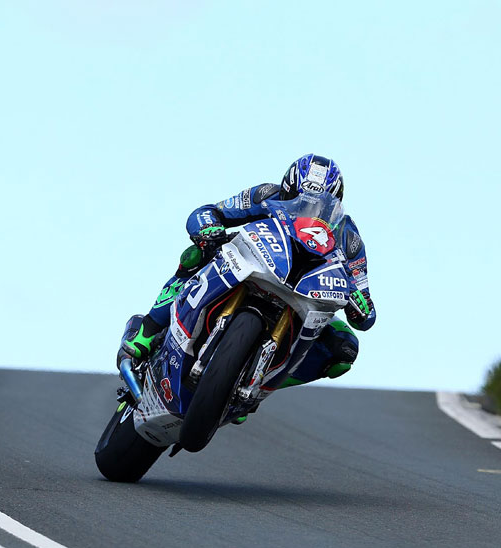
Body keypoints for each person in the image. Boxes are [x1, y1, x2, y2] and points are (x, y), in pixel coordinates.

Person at [120, 154, 376, 391]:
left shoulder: (349, 237)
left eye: (318, 205)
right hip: (255, 263)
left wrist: (360, 306)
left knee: (345, 347)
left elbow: (364, 302)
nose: (307, 211)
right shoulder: (265, 195)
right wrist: (208, 229)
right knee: (197, 254)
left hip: (306, 293)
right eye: (299, 200)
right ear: (287, 188)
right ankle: (148, 331)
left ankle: (260, 385)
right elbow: (209, 212)